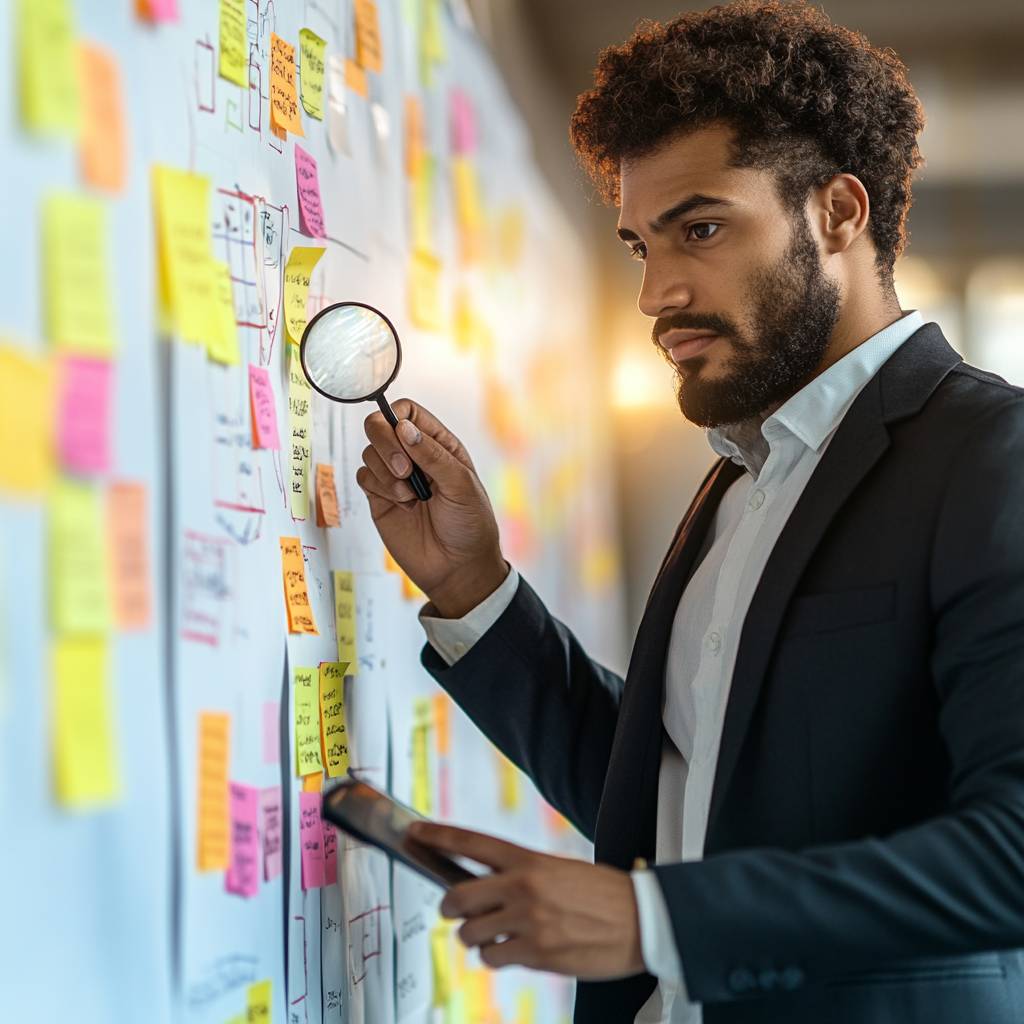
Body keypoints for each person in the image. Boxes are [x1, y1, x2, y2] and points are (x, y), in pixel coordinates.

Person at [357, 2, 1024, 1021]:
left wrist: (656, 920)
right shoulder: (740, 476)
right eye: (638, 245)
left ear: (838, 214)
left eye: (700, 229)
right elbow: (681, 796)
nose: (655, 292)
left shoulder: (992, 453)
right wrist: (471, 585)